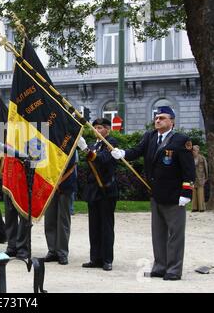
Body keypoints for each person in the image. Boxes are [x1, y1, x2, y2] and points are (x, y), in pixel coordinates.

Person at [111, 106, 195, 281]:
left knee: (175, 234)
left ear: (172, 121)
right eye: (156, 117)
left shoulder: (181, 140)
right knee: (158, 234)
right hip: (156, 194)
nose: (158, 120)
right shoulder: (150, 137)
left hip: (174, 196)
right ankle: (160, 266)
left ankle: (173, 269)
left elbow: (189, 170)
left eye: (162, 118)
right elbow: (137, 151)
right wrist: (123, 153)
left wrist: (186, 193)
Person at [77, 118, 118, 271]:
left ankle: (107, 259)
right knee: (94, 226)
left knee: (106, 226)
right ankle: (95, 258)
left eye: (100, 128)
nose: (96, 130)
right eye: (94, 128)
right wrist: (86, 149)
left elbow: (103, 159)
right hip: (94, 190)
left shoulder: (111, 143)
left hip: (106, 190)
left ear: (108, 129)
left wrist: (85, 150)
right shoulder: (95, 144)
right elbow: (90, 162)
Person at [44, 153, 77, 266]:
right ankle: (52, 250)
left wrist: (60, 180)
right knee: (50, 219)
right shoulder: (50, 141)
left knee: (63, 221)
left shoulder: (69, 140)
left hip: (66, 183)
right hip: (50, 182)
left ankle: (62, 253)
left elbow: (72, 164)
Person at [191, 145, 208, 212]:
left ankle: (201, 208)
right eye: (193, 150)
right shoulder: (190, 158)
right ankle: (194, 208)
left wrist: (206, 177)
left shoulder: (202, 158)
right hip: (192, 178)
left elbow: (206, 168)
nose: (193, 151)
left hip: (201, 178)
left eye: (195, 150)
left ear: (198, 150)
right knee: (193, 193)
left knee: (200, 193)